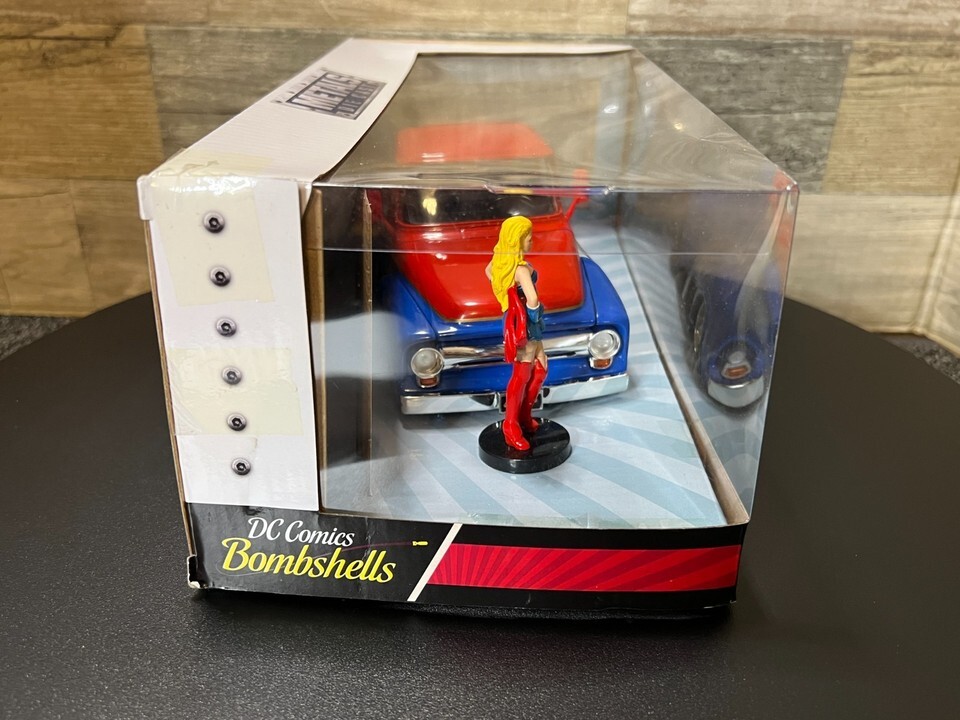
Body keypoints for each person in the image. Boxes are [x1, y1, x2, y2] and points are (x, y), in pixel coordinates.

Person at [485, 216, 547, 451]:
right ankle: (511, 425)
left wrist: (505, 296)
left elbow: (488, 271)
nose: (532, 241)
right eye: (529, 237)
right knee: (522, 373)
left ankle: (523, 416)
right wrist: (530, 315)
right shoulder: (520, 270)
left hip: (519, 321)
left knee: (540, 368)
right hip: (526, 324)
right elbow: (533, 299)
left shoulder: (502, 262)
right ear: (517, 240)